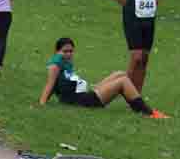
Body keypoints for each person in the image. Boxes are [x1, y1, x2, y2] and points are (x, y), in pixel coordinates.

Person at [39, 37, 168, 118]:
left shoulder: (65, 62)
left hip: (84, 94)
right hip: (82, 101)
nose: (68, 54)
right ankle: (148, 112)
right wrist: (42, 104)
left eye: (71, 51)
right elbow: (50, 85)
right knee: (122, 81)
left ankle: (136, 104)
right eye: (65, 51)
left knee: (120, 74)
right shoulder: (54, 65)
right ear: (56, 51)